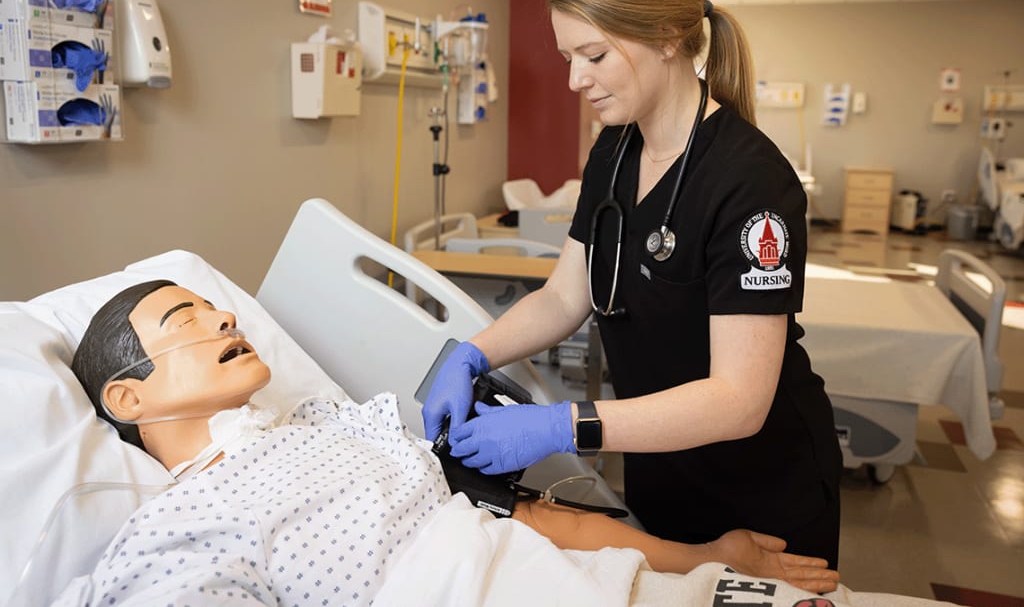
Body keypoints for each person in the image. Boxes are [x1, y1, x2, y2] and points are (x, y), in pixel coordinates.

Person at [422, 0, 842, 569]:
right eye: (568, 57)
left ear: (669, 38)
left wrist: (561, 426)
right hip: (659, 464)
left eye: (592, 55)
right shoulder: (615, 150)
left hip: (761, 486)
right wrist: (471, 354)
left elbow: (739, 399)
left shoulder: (749, 180)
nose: (573, 80)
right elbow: (566, 295)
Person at [58, 280, 839, 605]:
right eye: (184, 323)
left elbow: (524, 519)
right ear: (127, 397)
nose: (223, 319)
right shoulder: (178, 524)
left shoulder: (330, 428)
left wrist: (705, 554)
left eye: (214, 307)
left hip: (567, 576)